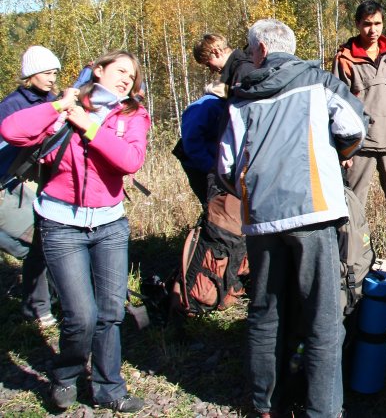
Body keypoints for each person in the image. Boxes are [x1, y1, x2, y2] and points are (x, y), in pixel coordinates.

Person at [219, 19, 366, 418]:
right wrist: (334, 153)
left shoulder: (240, 100)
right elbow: (355, 127)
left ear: (262, 50)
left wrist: (255, 192)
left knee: (266, 311)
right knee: (322, 317)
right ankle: (323, 409)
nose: (249, 58)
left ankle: (266, 405)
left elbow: (227, 167)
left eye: (250, 51)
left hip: (262, 220)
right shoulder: (319, 83)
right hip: (314, 213)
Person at [0, 51, 150, 413]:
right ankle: (65, 374)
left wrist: (91, 127)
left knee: (110, 311)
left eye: (131, 77)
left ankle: (109, 387)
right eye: (119, 72)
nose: (126, 81)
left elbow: (130, 160)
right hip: (61, 224)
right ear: (98, 71)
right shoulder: (64, 108)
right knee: (81, 314)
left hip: (109, 224)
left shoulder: (132, 114)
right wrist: (59, 107)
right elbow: (11, 130)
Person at [333, 0, 386, 257]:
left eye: (377, 23)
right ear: (358, 24)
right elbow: (335, 105)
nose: (373, 30)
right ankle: (353, 252)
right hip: (360, 146)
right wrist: (343, 150)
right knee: (354, 201)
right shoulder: (345, 59)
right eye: (367, 24)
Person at [0, 45, 61, 326]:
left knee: (43, 242)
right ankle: (37, 307)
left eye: (55, 73)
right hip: (7, 185)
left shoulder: (52, 99)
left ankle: (44, 300)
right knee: (33, 245)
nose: (52, 78)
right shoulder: (11, 106)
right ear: (30, 74)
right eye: (46, 73)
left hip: (32, 183)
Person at [176, 81, 228, 208]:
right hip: (201, 168)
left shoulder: (222, 104)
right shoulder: (206, 105)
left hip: (215, 167)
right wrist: (211, 168)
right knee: (213, 207)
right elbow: (192, 141)